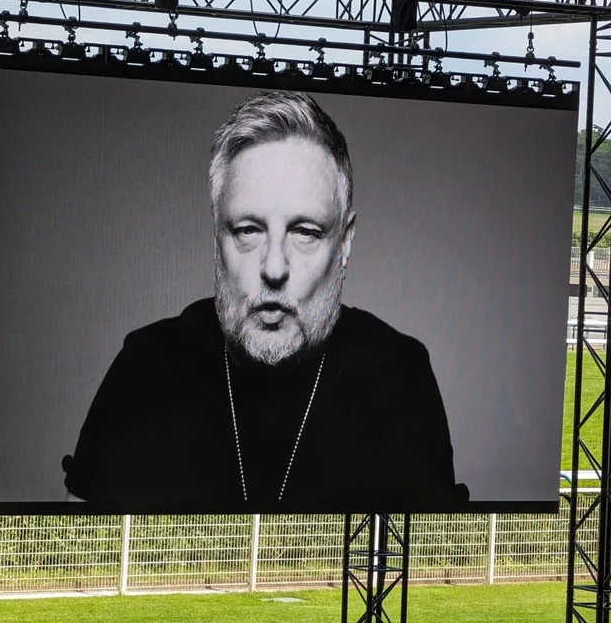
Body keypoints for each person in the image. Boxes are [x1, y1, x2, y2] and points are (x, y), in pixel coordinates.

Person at [63, 90, 468, 513]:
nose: (274, 267)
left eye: (306, 231)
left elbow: (436, 565)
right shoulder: (143, 369)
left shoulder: (400, 375)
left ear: (345, 242)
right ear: (217, 235)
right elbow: (71, 557)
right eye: (248, 230)